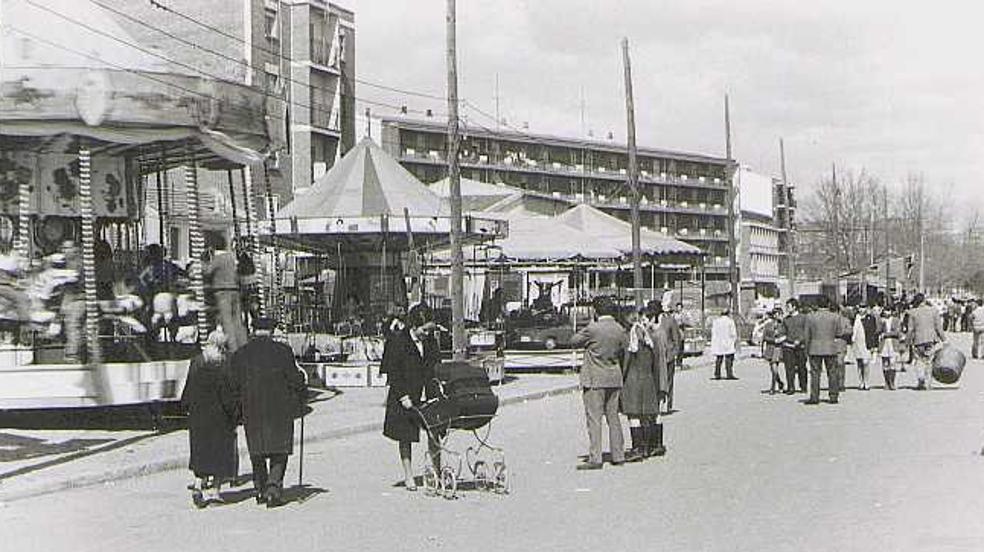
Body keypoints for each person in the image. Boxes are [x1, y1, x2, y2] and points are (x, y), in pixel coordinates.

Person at [230, 317, 306, 507]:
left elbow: (233, 384)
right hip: (279, 408)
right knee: (279, 448)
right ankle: (273, 487)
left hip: (252, 408)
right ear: (271, 331)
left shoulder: (241, 354)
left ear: (253, 331)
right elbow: (294, 379)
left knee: (257, 449)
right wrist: (301, 388)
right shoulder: (283, 352)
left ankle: (260, 488)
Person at [380, 303, 441, 490]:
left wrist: (438, 386)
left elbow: (436, 365)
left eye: (430, 330)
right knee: (405, 435)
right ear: (414, 326)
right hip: (404, 395)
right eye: (425, 330)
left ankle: (436, 472)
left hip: (427, 392)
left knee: (435, 431)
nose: (427, 334)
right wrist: (403, 395)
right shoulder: (398, 341)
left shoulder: (431, 342)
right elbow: (393, 372)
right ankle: (408, 475)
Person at [181, 328, 238, 508]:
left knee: (201, 451)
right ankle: (215, 492)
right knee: (221, 453)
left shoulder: (197, 362)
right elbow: (230, 393)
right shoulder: (225, 364)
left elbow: (188, 388)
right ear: (222, 347)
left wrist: (186, 406)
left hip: (199, 416)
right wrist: (236, 414)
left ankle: (198, 485)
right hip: (220, 416)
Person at [570, 297, 628, 470]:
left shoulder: (593, 329)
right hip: (614, 377)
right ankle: (618, 454)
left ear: (595, 311)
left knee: (594, 419)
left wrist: (588, 325)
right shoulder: (619, 328)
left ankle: (596, 457)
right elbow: (624, 350)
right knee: (613, 418)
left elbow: (573, 341)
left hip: (594, 379)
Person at [619, 307, 663, 461]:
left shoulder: (628, 337)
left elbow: (625, 362)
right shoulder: (648, 335)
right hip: (648, 378)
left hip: (633, 379)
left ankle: (638, 448)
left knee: (634, 415)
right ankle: (650, 446)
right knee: (648, 414)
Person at [203, 234, 247, 352]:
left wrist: (203, 263)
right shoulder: (231, 257)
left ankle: (233, 350)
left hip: (222, 292)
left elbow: (207, 271)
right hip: (234, 290)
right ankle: (243, 346)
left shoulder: (218, 259)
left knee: (227, 322)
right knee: (237, 321)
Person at [804, 296, 851, 405]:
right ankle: (833, 396)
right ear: (828, 304)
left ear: (816, 305)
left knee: (815, 373)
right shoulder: (835, 317)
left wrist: (807, 348)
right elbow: (839, 333)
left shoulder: (810, 317)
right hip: (830, 347)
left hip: (815, 347)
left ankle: (814, 397)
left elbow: (807, 335)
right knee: (832, 372)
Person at [906, 293, 945, 390]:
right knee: (929, 361)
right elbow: (939, 328)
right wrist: (944, 339)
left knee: (919, 360)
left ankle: (921, 379)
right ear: (924, 300)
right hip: (931, 340)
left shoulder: (912, 313)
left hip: (918, 341)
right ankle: (928, 383)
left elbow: (910, 330)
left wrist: (907, 342)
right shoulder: (934, 311)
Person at [658, 301, 683, 412]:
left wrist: (674, 353)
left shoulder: (670, 320)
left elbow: (676, 338)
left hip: (668, 355)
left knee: (668, 380)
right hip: (655, 356)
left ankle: (668, 403)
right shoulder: (649, 321)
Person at [781, 300, 809, 394]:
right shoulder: (786, 320)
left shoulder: (803, 318)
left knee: (802, 367)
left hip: (800, 346)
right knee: (789, 368)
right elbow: (783, 332)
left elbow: (806, 331)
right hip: (788, 346)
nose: (787, 309)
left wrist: (800, 340)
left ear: (794, 307)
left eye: (788, 306)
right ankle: (790, 387)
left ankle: (803, 386)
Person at [760, 308, 786, 394]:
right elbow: (764, 337)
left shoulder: (783, 325)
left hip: (779, 348)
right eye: (776, 314)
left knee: (774, 367)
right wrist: (773, 340)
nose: (777, 316)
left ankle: (772, 387)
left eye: (779, 314)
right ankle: (780, 382)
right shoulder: (768, 325)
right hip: (770, 347)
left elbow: (787, 334)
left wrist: (782, 339)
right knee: (773, 369)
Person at [709, 309, 738, 380]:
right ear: (728, 314)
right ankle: (729, 374)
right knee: (729, 358)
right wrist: (734, 341)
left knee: (719, 358)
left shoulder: (716, 321)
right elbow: (733, 333)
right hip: (728, 341)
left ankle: (717, 374)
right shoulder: (730, 321)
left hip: (718, 342)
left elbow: (713, 332)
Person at [850, 307, 873, 391]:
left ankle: (866, 381)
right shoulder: (854, 318)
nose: (862, 309)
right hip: (857, 343)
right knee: (859, 363)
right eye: (860, 307)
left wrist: (873, 344)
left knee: (866, 362)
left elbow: (873, 330)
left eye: (864, 307)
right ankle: (861, 381)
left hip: (866, 343)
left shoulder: (870, 318)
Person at [879, 308, 901, 390]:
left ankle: (892, 382)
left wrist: (886, 334)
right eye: (885, 311)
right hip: (884, 343)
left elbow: (897, 332)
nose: (887, 312)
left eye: (888, 311)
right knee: (885, 363)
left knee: (893, 363)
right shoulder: (882, 321)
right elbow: (878, 331)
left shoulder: (896, 320)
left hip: (893, 343)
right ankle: (886, 382)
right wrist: (881, 323)